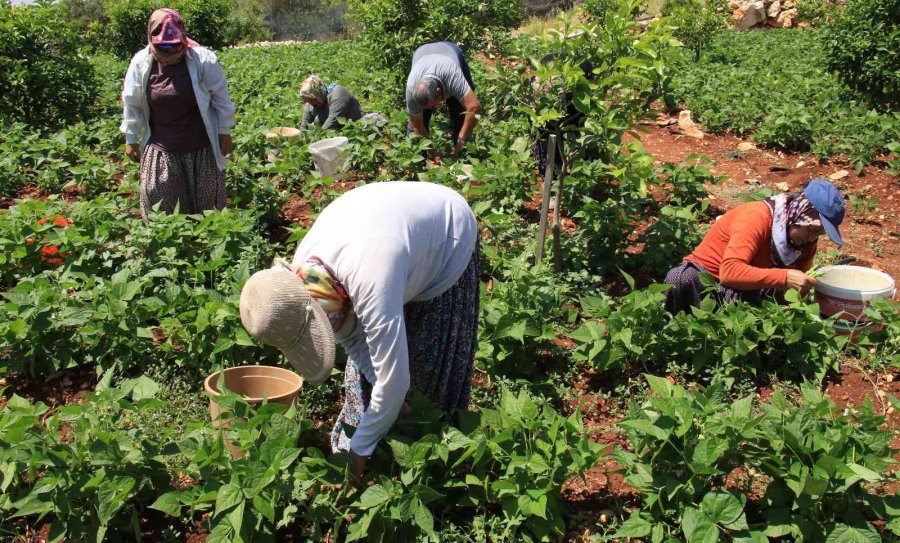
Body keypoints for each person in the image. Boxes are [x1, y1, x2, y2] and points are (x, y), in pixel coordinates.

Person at [239, 181, 479, 480]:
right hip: (387, 234)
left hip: (445, 234)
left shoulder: (371, 275)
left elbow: (393, 379)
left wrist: (359, 451)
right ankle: (388, 430)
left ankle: (434, 460)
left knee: (428, 371)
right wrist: (389, 391)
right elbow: (352, 337)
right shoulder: (304, 278)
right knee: (378, 382)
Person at [664, 179, 845, 314]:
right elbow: (729, 272)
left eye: (819, 233)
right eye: (812, 230)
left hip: (749, 289)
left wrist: (801, 290)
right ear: (799, 215)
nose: (812, 238)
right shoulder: (755, 218)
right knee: (681, 278)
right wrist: (785, 276)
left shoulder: (806, 241)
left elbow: (798, 285)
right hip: (709, 282)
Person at [121, 8, 236, 220]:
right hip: (161, 148)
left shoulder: (203, 60)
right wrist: (131, 138)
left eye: (174, 47)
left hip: (201, 149)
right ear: (151, 40)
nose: (170, 54)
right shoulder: (141, 62)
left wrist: (224, 131)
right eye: (163, 48)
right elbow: (132, 101)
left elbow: (221, 98)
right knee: (158, 208)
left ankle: (207, 251)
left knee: (208, 211)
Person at [406, 41, 481, 157]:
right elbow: (417, 126)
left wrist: (460, 141)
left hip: (449, 50)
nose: (432, 108)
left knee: (460, 114)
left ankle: (463, 155)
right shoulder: (412, 88)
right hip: (421, 53)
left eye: (432, 104)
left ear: (438, 91)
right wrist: (433, 152)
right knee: (417, 127)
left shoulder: (452, 76)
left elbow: (474, 107)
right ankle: (418, 162)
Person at [299, 74, 363, 131]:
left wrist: (317, 139)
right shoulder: (310, 105)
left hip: (357, 128)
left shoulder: (338, 94)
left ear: (319, 93)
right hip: (336, 133)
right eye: (307, 100)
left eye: (312, 99)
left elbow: (332, 122)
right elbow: (304, 127)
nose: (310, 103)